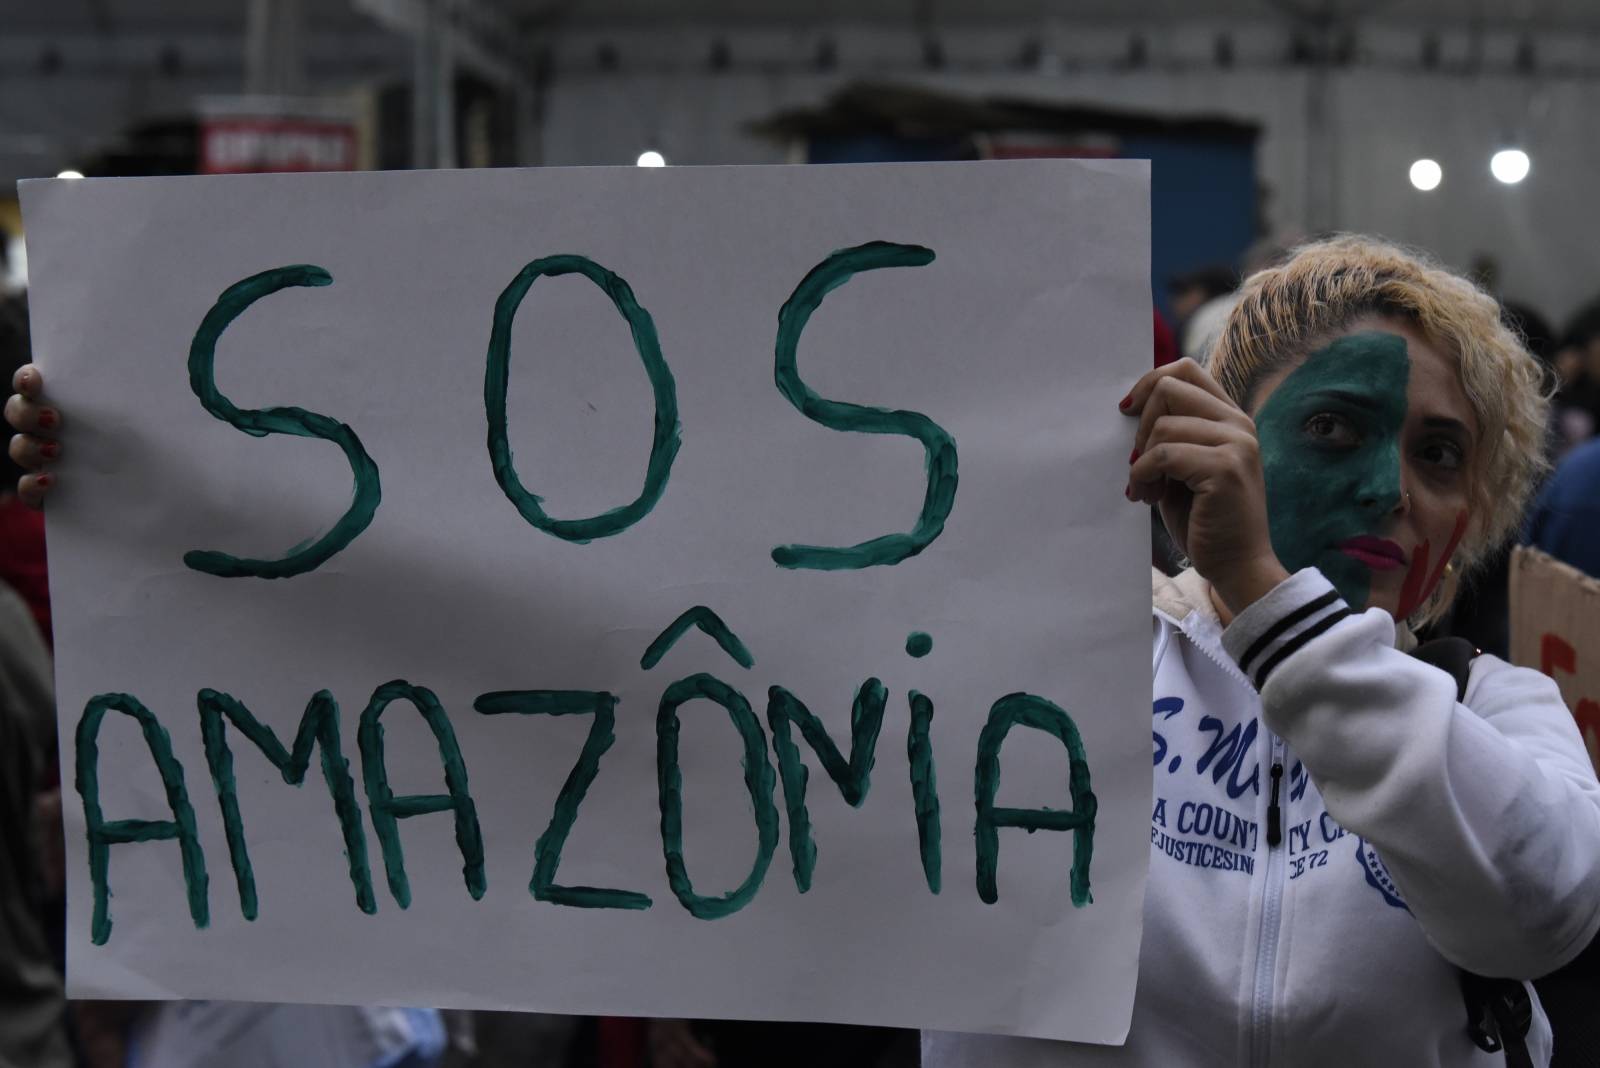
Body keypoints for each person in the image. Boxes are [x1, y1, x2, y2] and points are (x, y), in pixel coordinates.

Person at [11, 236, 1600, 1067]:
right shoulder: (1046, 665)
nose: (1397, 489)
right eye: (1333, 428)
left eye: (1449, 458)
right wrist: (158, 471)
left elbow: (1532, 905)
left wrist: (1266, 601)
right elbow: (549, 622)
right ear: (1215, 430)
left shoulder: (1507, 711)